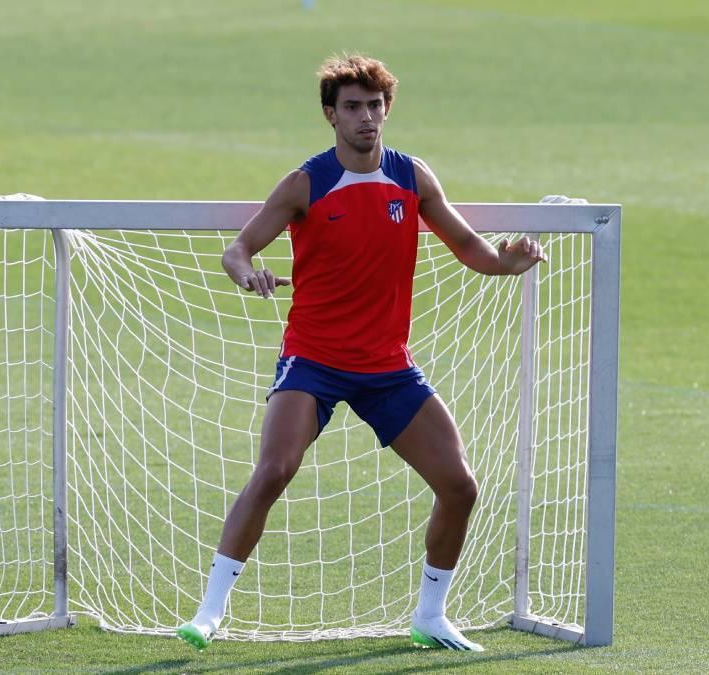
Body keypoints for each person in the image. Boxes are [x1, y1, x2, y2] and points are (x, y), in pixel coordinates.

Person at [176, 53, 546, 653]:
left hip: (387, 366)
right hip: (314, 360)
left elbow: (470, 248)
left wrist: (510, 260)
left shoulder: (412, 177)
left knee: (460, 486)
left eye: (375, 106)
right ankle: (210, 611)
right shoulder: (307, 183)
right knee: (274, 470)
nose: (367, 117)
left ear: (387, 110)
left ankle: (429, 614)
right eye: (353, 108)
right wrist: (249, 275)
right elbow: (237, 249)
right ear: (331, 115)